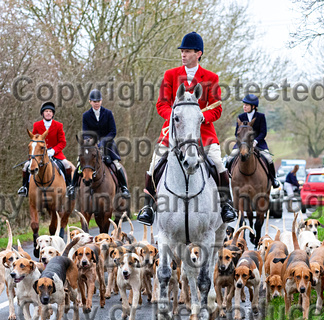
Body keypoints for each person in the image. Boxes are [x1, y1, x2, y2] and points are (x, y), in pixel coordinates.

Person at [136, 31, 237, 226]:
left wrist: (200, 118)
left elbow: (217, 109)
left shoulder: (211, 77)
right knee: (155, 160)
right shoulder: (170, 75)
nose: (183, 54)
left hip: (203, 133)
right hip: (173, 132)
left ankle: (226, 205)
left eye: (188, 51)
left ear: (198, 53)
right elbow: (161, 104)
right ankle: (148, 206)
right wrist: (175, 118)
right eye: (182, 51)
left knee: (218, 162)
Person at [71, 89, 130, 199]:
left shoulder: (108, 113)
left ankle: (124, 188)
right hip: (91, 145)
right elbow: (85, 132)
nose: (96, 103)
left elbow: (113, 131)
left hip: (108, 145)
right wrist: (91, 142)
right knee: (80, 163)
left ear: (101, 101)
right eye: (94, 101)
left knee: (116, 164)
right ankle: (72, 187)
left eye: (98, 101)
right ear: (90, 102)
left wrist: (102, 142)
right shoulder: (86, 115)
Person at [18, 101, 75, 197]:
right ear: (42, 113)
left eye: (50, 111)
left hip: (56, 154)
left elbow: (62, 142)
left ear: (53, 114)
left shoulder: (58, 125)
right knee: (26, 166)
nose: (48, 113)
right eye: (46, 111)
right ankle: (25, 187)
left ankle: (69, 187)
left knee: (66, 165)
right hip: (39, 155)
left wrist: (53, 151)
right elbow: (34, 140)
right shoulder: (36, 125)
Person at [224, 94, 280, 188]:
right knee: (229, 158)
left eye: (246, 105)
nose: (244, 107)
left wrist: (255, 141)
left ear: (253, 106)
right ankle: (226, 180)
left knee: (269, 159)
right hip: (242, 144)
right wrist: (241, 142)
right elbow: (236, 133)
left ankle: (273, 179)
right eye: (244, 105)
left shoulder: (261, 116)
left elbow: (263, 132)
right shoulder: (241, 116)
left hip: (258, 143)